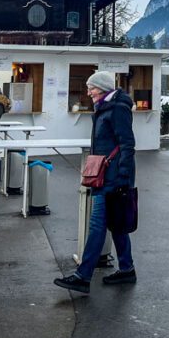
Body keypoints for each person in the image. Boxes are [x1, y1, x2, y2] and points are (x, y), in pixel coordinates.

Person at [54, 70, 136, 295]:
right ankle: (127, 269)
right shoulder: (106, 108)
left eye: (92, 88)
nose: (88, 92)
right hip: (108, 174)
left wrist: (123, 177)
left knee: (98, 225)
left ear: (102, 88)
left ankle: (83, 276)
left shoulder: (116, 109)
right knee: (117, 223)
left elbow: (127, 144)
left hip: (112, 177)